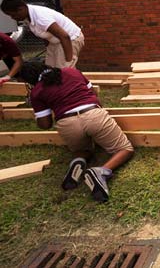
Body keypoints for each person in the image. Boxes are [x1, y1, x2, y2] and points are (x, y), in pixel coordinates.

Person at [19, 61, 134, 202]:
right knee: (124, 149)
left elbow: (45, 124)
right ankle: (101, 172)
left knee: (83, 149)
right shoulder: (71, 72)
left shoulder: (37, 91)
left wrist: (36, 110)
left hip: (67, 124)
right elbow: (93, 93)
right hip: (92, 114)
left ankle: (78, 161)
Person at [0, 0, 84, 68]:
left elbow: (64, 36)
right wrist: (49, 49)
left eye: (13, 15)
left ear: (21, 9)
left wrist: (68, 62)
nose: (13, 18)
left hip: (71, 39)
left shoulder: (41, 17)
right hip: (55, 41)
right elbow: (43, 33)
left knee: (63, 72)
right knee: (49, 70)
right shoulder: (27, 16)